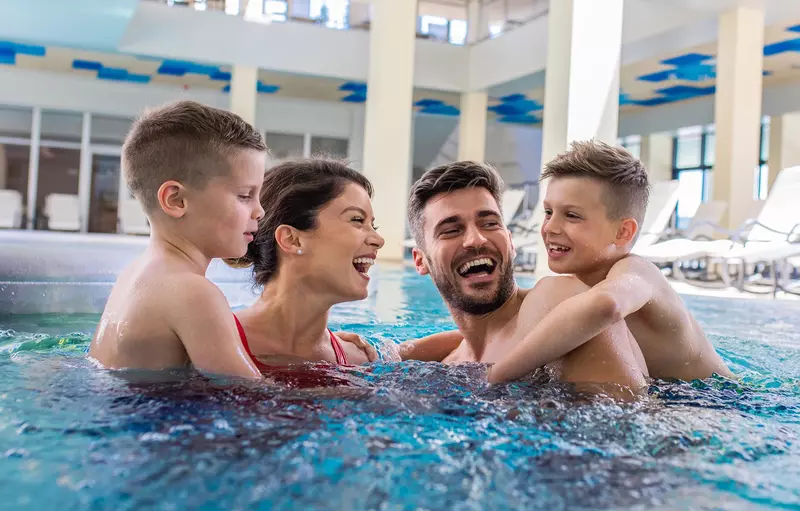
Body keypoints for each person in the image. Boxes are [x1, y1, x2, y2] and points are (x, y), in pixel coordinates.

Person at [488, 140, 733, 384]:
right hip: (670, 396)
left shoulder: (638, 272)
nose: (550, 227)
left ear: (623, 232)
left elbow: (606, 305)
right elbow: (512, 314)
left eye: (572, 216)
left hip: (718, 401)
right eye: (548, 212)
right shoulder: (576, 285)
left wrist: (498, 374)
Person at [406, 161, 647, 399]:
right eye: (451, 230)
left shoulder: (556, 301)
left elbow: (626, 425)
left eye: (490, 224)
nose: (476, 240)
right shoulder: (450, 360)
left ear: (510, 243)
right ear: (420, 260)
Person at [90, 100, 267, 378]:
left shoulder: (136, 274)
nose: (260, 210)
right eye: (245, 195)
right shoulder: (194, 293)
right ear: (176, 199)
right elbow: (253, 399)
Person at [228, 158, 386, 369]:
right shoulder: (211, 343)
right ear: (292, 239)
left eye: (373, 225)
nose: (378, 240)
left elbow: (414, 349)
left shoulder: (359, 358)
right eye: (357, 220)